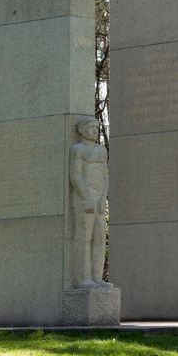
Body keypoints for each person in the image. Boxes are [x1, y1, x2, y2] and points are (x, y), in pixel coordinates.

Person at [70, 117, 111, 289]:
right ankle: (83, 278)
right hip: (84, 197)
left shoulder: (102, 150)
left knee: (100, 237)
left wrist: (102, 198)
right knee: (84, 238)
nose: (95, 131)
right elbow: (76, 175)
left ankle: (97, 276)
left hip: (99, 196)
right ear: (81, 130)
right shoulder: (78, 149)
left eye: (97, 127)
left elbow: (105, 175)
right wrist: (86, 197)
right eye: (91, 127)